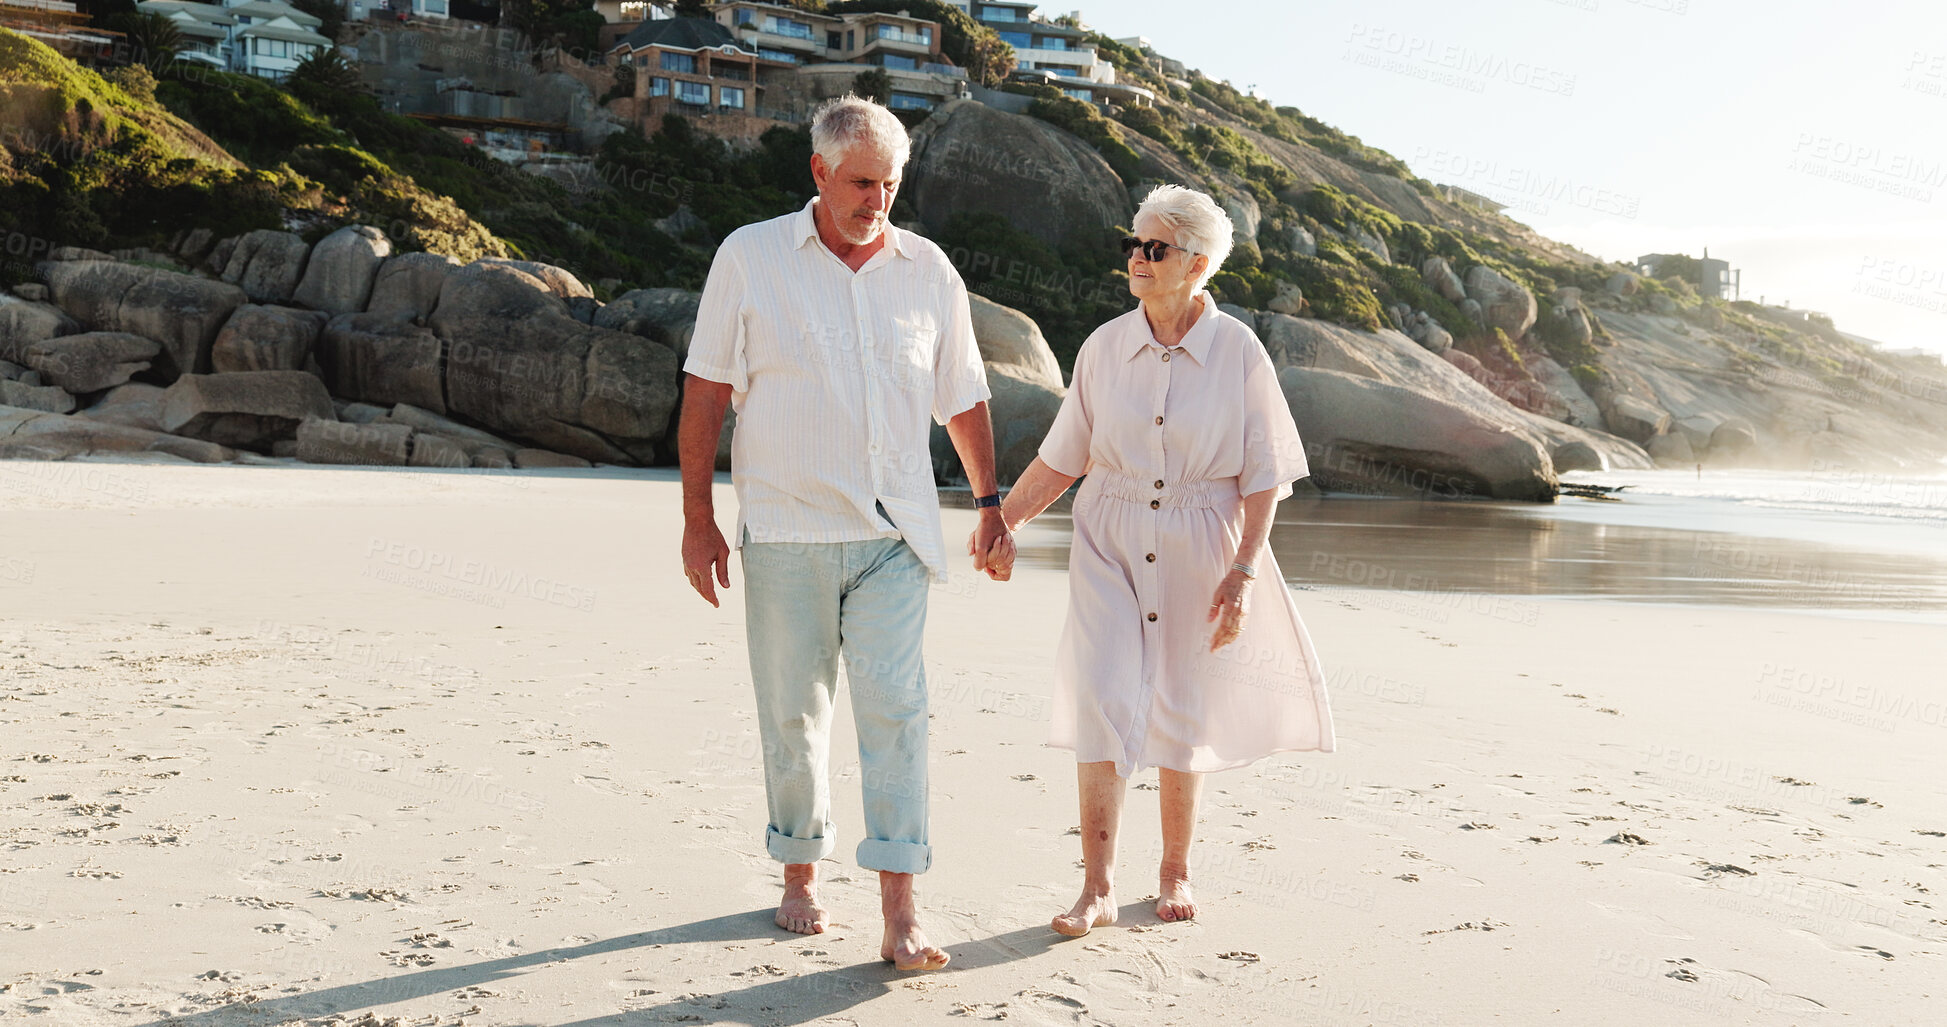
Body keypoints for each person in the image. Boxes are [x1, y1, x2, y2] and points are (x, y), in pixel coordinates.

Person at [677, 95, 1011, 971]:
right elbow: (706, 391)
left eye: (890, 184)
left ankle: (900, 905)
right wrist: (696, 519)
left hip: (894, 539)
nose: (877, 199)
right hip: (784, 529)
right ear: (819, 173)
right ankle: (799, 871)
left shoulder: (929, 270)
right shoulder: (749, 257)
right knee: (793, 717)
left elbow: (964, 396)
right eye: (861, 181)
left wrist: (989, 506)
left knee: (898, 714)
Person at [981, 184, 1336, 937]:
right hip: (1108, 534)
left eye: (1154, 248)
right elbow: (1062, 457)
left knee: (1182, 702)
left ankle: (1174, 869)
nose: (1136, 259)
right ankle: (1096, 885)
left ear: (1196, 263)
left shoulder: (1238, 350)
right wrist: (1001, 521)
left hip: (1201, 536)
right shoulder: (1103, 346)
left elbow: (1265, 474)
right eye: (1132, 245)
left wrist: (1242, 572)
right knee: (1101, 694)